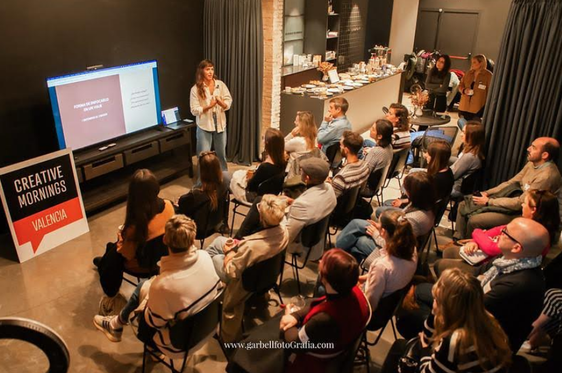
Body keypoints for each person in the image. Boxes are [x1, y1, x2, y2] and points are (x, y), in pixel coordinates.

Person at [404, 218, 549, 352]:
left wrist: (439, 307)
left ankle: (430, 349)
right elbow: (472, 276)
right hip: (473, 308)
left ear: (517, 247)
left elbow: (471, 308)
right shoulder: (510, 259)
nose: (499, 234)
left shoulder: (519, 284)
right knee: (421, 291)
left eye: (505, 233)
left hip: (482, 341)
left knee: (409, 316)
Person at [93, 215, 222, 359]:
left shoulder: (164, 285)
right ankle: (115, 325)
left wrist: (149, 299)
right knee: (146, 286)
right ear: (193, 238)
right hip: (208, 328)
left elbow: (151, 324)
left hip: (178, 344)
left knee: (146, 292)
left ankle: (119, 327)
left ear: (165, 240)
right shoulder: (205, 257)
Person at [204, 194, 289, 342]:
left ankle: (228, 338)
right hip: (267, 274)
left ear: (261, 217)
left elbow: (231, 270)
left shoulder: (251, 246)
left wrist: (230, 251)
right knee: (218, 241)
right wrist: (236, 246)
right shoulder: (285, 231)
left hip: (245, 283)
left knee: (213, 257)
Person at [94, 169, 175, 315]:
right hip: (162, 259)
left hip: (141, 266)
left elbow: (127, 254)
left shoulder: (135, 227)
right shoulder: (169, 206)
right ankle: (104, 259)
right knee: (110, 250)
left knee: (113, 252)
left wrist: (121, 236)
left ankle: (110, 291)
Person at [403, 268, 511, 373]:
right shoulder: (486, 317)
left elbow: (427, 369)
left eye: (437, 300)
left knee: (401, 351)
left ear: (449, 307)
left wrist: (425, 350)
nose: (433, 303)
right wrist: (436, 311)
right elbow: (427, 336)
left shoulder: (455, 340)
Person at [280, 249, 370, 373]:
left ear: (324, 278)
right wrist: (296, 315)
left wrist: (288, 316)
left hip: (311, 360)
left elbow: (296, 344)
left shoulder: (322, 319)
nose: (320, 261)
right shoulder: (354, 290)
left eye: (323, 263)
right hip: (336, 340)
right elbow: (321, 301)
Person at [453, 137, 561, 240]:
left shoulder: (546, 176)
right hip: (513, 200)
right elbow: (511, 182)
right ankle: (458, 239)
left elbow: (520, 203)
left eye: (533, 147)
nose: (528, 149)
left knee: (475, 220)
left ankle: (468, 248)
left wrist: (489, 202)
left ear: (545, 155)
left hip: (522, 212)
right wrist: (486, 193)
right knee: (464, 203)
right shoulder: (531, 164)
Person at [336, 172, 435, 262]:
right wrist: (380, 227)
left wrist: (376, 234)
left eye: (407, 189)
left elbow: (396, 245)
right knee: (356, 224)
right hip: (391, 236)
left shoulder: (414, 219)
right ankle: (339, 256)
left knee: (358, 241)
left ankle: (334, 257)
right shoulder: (424, 204)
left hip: (394, 254)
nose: (405, 192)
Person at [442, 189, 559, 264]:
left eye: (525, 203)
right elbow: (495, 232)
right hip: (487, 256)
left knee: (444, 261)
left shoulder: (535, 235)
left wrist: (478, 233)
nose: (522, 205)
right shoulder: (523, 222)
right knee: (449, 251)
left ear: (533, 210)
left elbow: (492, 248)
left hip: (492, 263)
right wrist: (475, 242)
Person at [359, 210, 418, 312]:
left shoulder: (381, 266)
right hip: (390, 298)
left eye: (379, 224)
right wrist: (364, 278)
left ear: (383, 232)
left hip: (372, 312)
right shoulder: (412, 249)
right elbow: (386, 278)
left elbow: (369, 304)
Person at [285, 158, 337, 261]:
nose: (300, 172)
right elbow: (314, 207)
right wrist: (293, 203)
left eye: (302, 171)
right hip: (318, 242)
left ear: (307, 178)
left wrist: (275, 213)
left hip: (303, 247)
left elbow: (288, 236)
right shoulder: (329, 188)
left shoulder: (302, 205)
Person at [385, 140, 453, 210]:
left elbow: (422, 202)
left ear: (435, 158)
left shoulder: (435, 180)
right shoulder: (448, 172)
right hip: (423, 206)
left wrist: (402, 202)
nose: (425, 155)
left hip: (417, 210)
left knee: (384, 207)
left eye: (428, 154)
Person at [190, 59, 232, 170]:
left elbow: (229, 101)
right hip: (204, 125)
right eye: (207, 69)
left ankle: (224, 178)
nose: (210, 72)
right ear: (201, 71)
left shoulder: (220, 84)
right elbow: (194, 110)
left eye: (212, 69)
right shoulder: (195, 89)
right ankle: (201, 182)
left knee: (221, 155)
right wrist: (210, 105)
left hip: (220, 123)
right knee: (203, 156)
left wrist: (221, 103)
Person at [230, 128, 286, 203]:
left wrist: (248, 178)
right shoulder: (283, 164)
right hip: (269, 196)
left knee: (226, 178)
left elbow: (250, 186)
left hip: (254, 197)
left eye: (263, 139)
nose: (262, 141)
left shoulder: (265, 167)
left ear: (267, 143)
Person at [177, 151, 229, 230]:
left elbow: (182, 206)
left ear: (202, 172)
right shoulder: (225, 182)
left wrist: (177, 203)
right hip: (216, 222)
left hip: (199, 230)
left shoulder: (195, 195)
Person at [328, 130, 370, 198]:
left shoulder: (341, 178)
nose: (340, 147)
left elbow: (331, 199)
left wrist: (328, 184)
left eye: (341, 145)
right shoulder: (366, 166)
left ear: (346, 150)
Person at [450, 121, 485, 198]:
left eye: (464, 133)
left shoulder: (470, 157)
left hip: (455, 188)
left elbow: (451, 176)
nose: (461, 135)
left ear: (473, 137)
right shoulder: (471, 149)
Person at [458, 54, 492, 120]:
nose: (472, 64)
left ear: (481, 63)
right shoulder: (468, 73)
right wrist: (464, 90)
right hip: (464, 106)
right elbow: (460, 85)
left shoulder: (488, 76)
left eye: (474, 62)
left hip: (478, 109)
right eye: (472, 62)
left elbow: (491, 92)